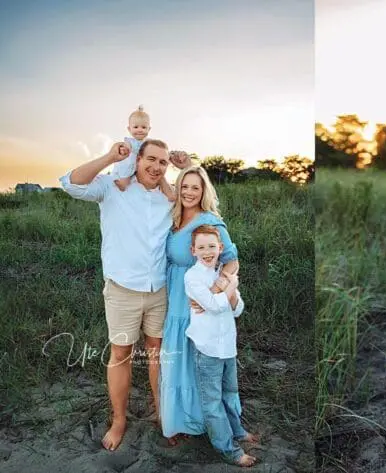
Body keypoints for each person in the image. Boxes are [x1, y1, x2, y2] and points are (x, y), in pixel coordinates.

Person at [59, 139, 189, 450]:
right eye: (151, 159)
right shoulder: (112, 188)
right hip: (122, 289)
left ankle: (163, 415)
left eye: (163, 162)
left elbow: (204, 203)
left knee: (159, 355)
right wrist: (108, 157)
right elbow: (71, 184)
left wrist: (188, 169)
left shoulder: (169, 198)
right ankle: (119, 420)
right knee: (121, 354)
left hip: (159, 289)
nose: (156, 167)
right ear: (137, 158)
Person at [160, 166, 241, 445]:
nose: (189, 193)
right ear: (178, 188)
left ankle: (207, 423)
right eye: (184, 186)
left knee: (201, 357)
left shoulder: (210, 221)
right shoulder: (172, 219)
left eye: (196, 187)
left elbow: (231, 259)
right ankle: (178, 421)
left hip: (199, 296)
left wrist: (217, 286)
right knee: (177, 360)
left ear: (204, 191)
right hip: (175, 298)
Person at [184, 224, 257, 467]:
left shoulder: (221, 273)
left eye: (212, 247)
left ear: (220, 248)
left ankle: (237, 431)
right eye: (201, 247)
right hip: (208, 350)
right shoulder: (192, 277)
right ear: (193, 250)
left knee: (230, 394)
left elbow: (238, 309)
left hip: (227, 346)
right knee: (212, 402)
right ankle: (229, 450)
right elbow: (213, 306)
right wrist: (232, 285)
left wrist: (228, 289)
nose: (207, 251)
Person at [110, 106, 189, 199]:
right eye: (136, 127)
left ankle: (169, 194)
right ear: (129, 129)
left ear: (149, 129)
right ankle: (121, 189)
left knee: (159, 177)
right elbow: (125, 148)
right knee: (123, 184)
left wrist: (171, 156)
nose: (140, 130)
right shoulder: (129, 141)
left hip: (144, 167)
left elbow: (160, 152)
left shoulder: (149, 142)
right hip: (130, 165)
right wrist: (123, 150)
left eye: (143, 127)